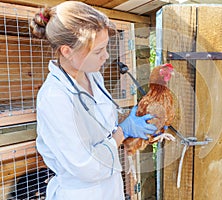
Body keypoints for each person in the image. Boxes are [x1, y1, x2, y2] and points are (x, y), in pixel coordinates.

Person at [30, 1, 157, 199]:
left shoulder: (92, 76)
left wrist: (132, 119)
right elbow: (85, 165)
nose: (106, 56)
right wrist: (123, 132)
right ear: (67, 51)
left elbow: (102, 121)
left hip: (110, 186)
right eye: (98, 51)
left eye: (105, 48)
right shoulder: (54, 98)